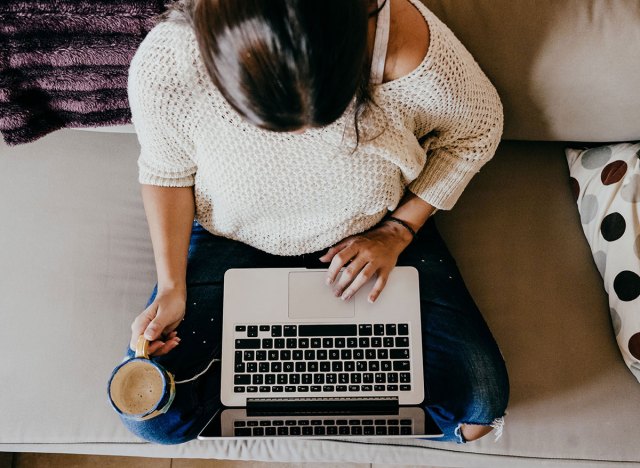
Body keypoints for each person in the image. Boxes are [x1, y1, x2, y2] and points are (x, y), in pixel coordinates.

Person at [120, 0, 509, 444]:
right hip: (229, 234)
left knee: (478, 410)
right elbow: (166, 172)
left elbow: (477, 131)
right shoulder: (168, 62)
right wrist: (172, 286)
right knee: (151, 419)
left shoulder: (406, 49)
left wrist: (398, 230)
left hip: (374, 231)